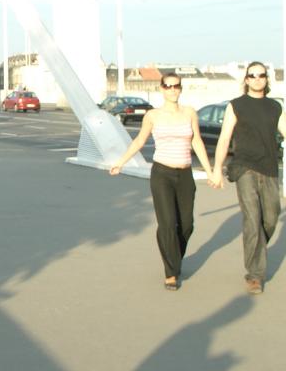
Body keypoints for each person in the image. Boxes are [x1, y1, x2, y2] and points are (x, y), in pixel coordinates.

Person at [110, 75, 217, 290]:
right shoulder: (153, 115)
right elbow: (140, 140)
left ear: (180, 88)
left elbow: (196, 141)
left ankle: (174, 258)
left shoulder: (189, 113)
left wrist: (210, 172)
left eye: (176, 86)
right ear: (162, 89)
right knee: (168, 223)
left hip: (184, 174)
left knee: (186, 225)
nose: (172, 90)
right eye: (168, 86)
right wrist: (121, 162)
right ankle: (171, 272)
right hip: (162, 174)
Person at [211, 61, 286, 295]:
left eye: (261, 75)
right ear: (246, 80)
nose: (256, 79)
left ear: (266, 79)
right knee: (253, 219)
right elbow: (224, 138)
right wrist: (216, 168)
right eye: (252, 75)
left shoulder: (275, 107)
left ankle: (257, 248)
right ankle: (255, 275)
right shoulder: (236, 105)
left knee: (271, 218)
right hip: (244, 168)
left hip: (269, 169)